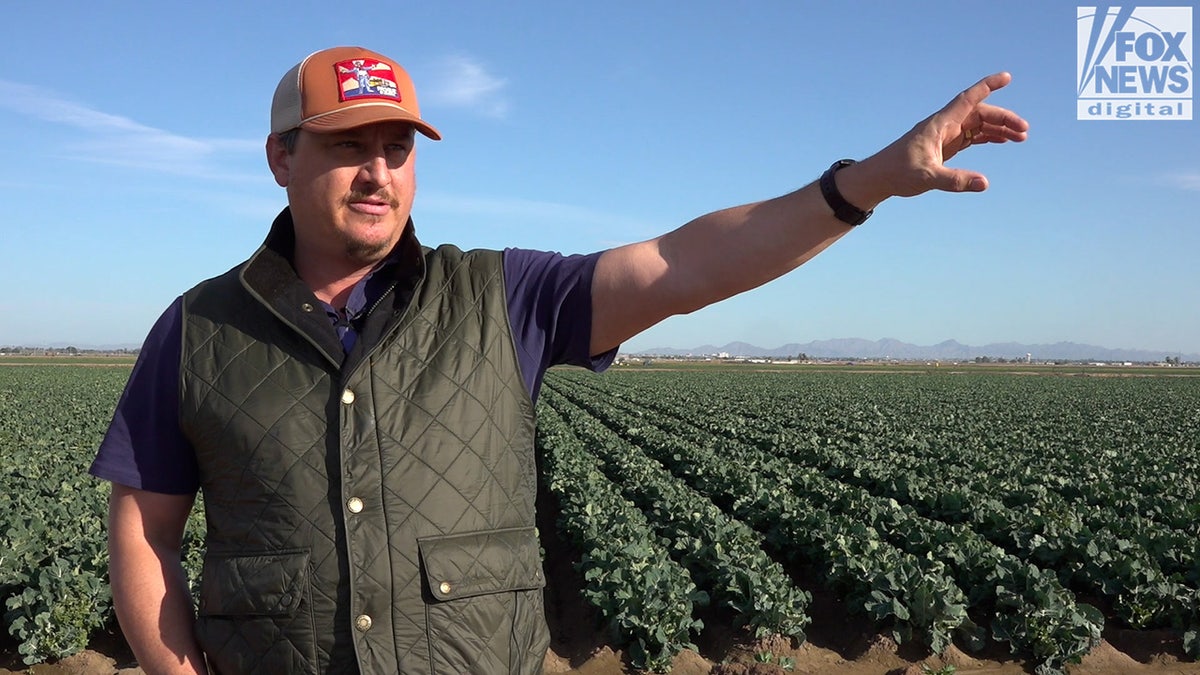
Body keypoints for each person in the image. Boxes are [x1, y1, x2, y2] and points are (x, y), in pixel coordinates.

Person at [90, 45, 1028, 675]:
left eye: (395, 147)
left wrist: (861, 184)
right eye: (346, 147)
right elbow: (144, 530)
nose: (379, 172)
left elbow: (684, 261)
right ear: (280, 158)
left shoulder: (503, 297)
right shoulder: (201, 327)